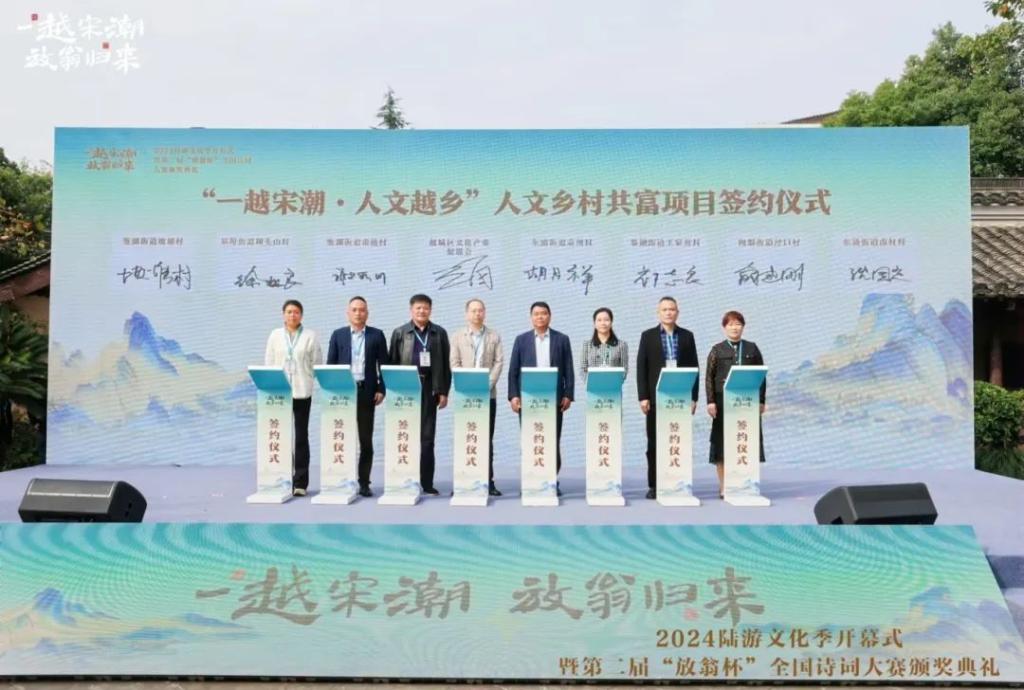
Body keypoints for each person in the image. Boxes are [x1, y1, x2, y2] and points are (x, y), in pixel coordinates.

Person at [636, 296, 699, 499]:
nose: (668, 312)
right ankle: (655, 485)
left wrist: (694, 397)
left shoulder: (687, 336)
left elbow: (695, 367)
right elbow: (641, 367)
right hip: (656, 398)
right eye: (664, 309)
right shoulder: (648, 336)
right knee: (655, 442)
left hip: (680, 398)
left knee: (678, 440)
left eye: (672, 309)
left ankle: (679, 482)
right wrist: (643, 396)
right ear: (658, 313)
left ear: (677, 312)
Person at [508, 301, 574, 495]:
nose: (540, 317)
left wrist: (568, 394)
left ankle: (551, 481)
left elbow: (568, 369)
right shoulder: (521, 340)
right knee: (531, 440)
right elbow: (513, 371)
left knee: (552, 439)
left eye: (543, 313)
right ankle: (531, 481)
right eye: (536, 314)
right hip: (528, 399)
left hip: (554, 399)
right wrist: (513, 396)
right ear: (531, 317)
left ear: (549, 316)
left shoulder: (562, 339)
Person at [388, 294, 451, 496]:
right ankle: (404, 479)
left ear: (430, 310)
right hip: (406, 389)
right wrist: (394, 391)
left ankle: (427, 483)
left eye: (425, 308)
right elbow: (392, 363)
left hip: (429, 388)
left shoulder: (439, 333)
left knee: (427, 438)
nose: (422, 311)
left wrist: (443, 391)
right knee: (404, 435)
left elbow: (446, 365)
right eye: (418, 308)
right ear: (411, 310)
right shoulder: (400, 333)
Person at [326, 296, 389, 498]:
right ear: (348, 313)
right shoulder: (338, 335)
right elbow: (330, 365)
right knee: (341, 437)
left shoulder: (377, 335)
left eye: (362, 310)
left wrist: (381, 389)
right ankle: (342, 480)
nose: (358, 313)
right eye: (354, 310)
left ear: (367, 313)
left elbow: (384, 365)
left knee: (365, 440)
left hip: (366, 393)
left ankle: (364, 483)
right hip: (343, 394)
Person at [264, 299, 323, 497]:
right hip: (280, 393)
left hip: (302, 391)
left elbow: (317, 363)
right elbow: (269, 362)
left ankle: (300, 483)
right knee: (280, 436)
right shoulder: (275, 335)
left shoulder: (310, 336)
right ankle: (282, 479)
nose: (292, 315)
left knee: (301, 437)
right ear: (283, 315)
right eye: (289, 312)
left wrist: (307, 378)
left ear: (301, 315)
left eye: (296, 312)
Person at [706, 310, 766, 497]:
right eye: (730, 324)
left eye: (738, 324)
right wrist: (710, 402)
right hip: (723, 403)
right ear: (724, 328)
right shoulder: (717, 350)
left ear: (743, 327)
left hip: (747, 403)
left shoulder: (752, 348)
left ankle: (746, 484)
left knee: (746, 441)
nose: (734, 328)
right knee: (722, 445)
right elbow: (709, 377)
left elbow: (761, 376)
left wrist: (761, 400)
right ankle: (724, 486)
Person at [450, 298, 505, 497]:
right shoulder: (457, 336)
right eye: (473, 311)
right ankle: (463, 481)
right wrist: (466, 384)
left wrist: (487, 384)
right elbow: (454, 362)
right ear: (467, 314)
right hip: (465, 396)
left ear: (485, 313)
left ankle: (488, 482)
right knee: (465, 437)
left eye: (480, 310)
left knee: (486, 438)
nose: (477, 314)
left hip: (487, 395)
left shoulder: (494, 336)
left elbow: (499, 362)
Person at [580, 307, 629, 380]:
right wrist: (592, 381)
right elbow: (583, 370)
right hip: (593, 386)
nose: (603, 323)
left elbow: (624, 369)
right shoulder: (587, 345)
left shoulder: (621, 345)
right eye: (599, 320)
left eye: (606, 320)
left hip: (614, 385)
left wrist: (614, 380)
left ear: (611, 322)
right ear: (594, 323)